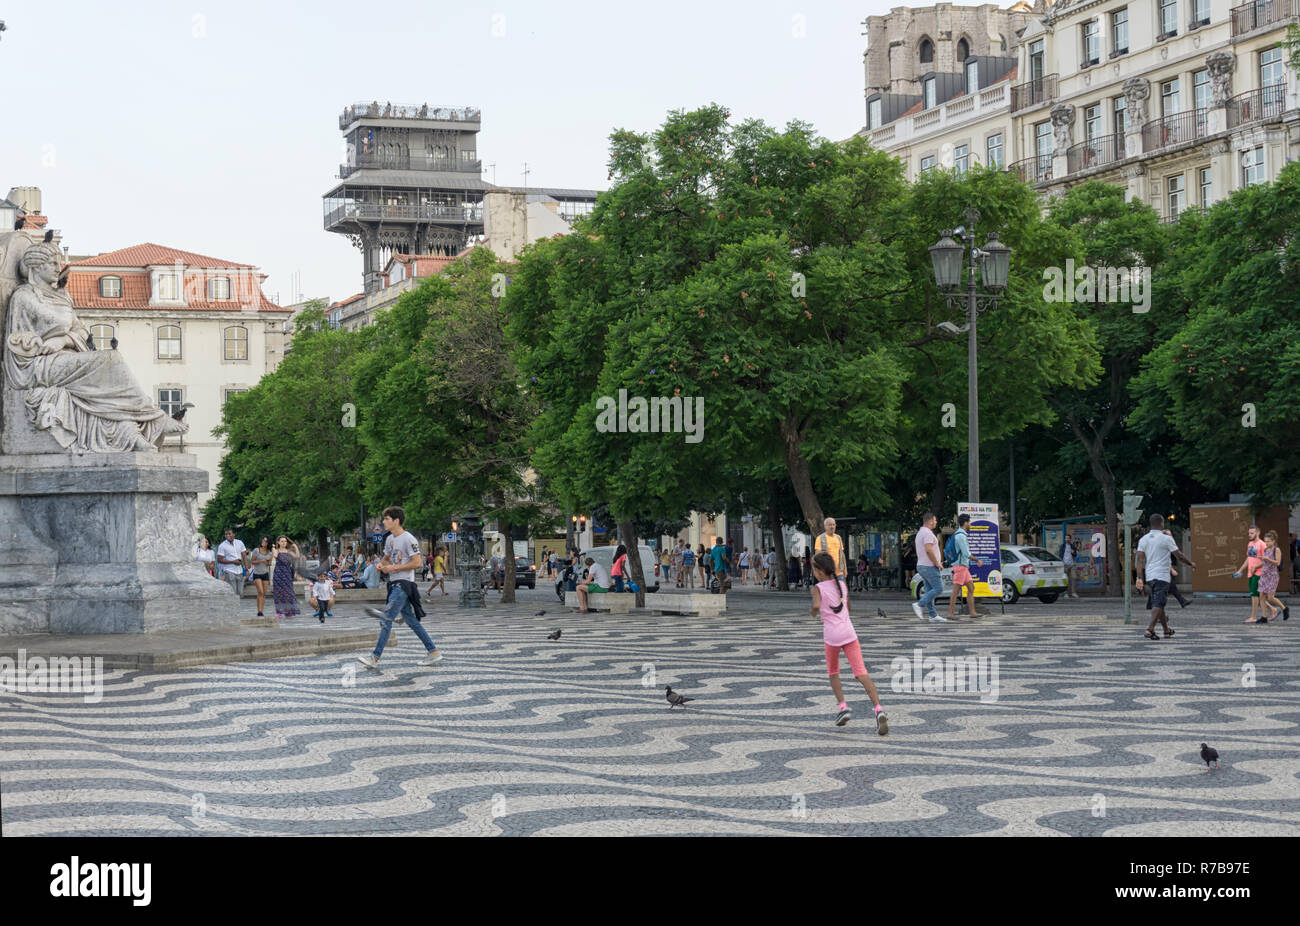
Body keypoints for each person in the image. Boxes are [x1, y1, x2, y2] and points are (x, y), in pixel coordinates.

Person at [809, 552, 888, 734]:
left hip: (832, 636)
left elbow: (815, 606)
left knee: (833, 672)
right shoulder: (842, 585)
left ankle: (843, 707)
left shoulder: (818, 588)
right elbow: (848, 608)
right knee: (861, 673)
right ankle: (879, 710)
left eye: (814, 568)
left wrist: (814, 613)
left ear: (820, 571)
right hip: (849, 632)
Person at [359, 506, 443, 669]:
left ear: (396, 521)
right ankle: (433, 652)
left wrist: (393, 568)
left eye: (386, 519)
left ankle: (375, 658)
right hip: (394, 583)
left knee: (386, 618)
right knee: (411, 620)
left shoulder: (408, 539)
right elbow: (386, 558)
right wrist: (380, 565)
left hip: (403, 584)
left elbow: (417, 563)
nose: (383, 522)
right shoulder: (390, 539)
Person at [1136, 513, 1196, 640]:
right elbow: (1178, 555)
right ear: (1162, 524)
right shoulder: (1166, 539)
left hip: (1150, 575)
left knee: (1159, 603)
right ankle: (1150, 629)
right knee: (1159, 602)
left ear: (1151, 524)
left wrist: (1139, 578)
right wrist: (1190, 564)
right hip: (1162, 575)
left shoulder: (1143, 539)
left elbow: (1140, 561)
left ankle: (1166, 630)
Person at [948, 514, 983, 620]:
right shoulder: (961, 536)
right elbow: (966, 553)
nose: (970, 524)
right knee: (956, 591)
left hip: (963, 566)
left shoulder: (960, 534)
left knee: (971, 588)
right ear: (965, 523)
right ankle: (951, 614)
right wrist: (977, 560)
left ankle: (972, 612)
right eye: (969, 522)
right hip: (960, 566)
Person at [912, 512, 945, 623]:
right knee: (939, 588)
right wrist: (937, 563)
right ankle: (919, 604)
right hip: (929, 565)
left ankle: (933, 615)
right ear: (930, 521)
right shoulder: (928, 534)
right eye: (935, 520)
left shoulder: (920, 532)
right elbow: (928, 550)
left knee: (929, 590)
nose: (936, 522)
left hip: (922, 565)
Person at [1233, 526, 1267, 624]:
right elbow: (1248, 558)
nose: (1249, 535)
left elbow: (1266, 560)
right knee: (1256, 595)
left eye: (1252, 533)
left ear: (1258, 533)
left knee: (1255, 595)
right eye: (1249, 533)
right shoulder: (1250, 544)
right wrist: (1240, 570)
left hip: (1258, 573)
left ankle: (1253, 616)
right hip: (1250, 573)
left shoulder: (1262, 544)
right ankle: (1273, 610)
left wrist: (1255, 567)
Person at [1257, 531, 1289, 622]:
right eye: (1265, 541)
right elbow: (1264, 563)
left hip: (1272, 576)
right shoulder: (1266, 550)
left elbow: (1277, 563)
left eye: (1268, 541)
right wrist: (1257, 565)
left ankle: (1284, 608)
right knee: (1261, 597)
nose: (1266, 543)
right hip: (1264, 575)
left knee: (1270, 597)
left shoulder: (1277, 550)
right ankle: (1264, 617)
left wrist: (1267, 559)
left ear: (1274, 541)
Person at [814, 518, 849, 593]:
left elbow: (842, 554)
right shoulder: (820, 538)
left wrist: (845, 569)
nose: (832, 527)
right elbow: (817, 557)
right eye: (830, 525)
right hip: (827, 573)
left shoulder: (838, 538)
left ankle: (841, 605)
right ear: (825, 526)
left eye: (833, 524)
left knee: (841, 594)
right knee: (830, 594)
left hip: (839, 572)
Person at [271, 535, 301, 621]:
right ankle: (279, 612)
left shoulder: (289, 551)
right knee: (279, 593)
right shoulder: (276, 550)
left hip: (287, 574)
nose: (284, 543)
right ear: (278, 542)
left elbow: (297, 556)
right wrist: (273, 547)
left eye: (285, 541)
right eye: (282, 541)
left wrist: (295, 547)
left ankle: (288, 612)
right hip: (278, 574)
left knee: (288, 593)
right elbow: (275, 556)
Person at [216, 528, 248, 599]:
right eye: (226, 534)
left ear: (234, 534)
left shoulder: (239, 542)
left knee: (240, 593)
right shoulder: (222, 546)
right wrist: (233, 561)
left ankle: (236, 608)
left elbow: (244, 556)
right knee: (233, 593)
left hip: (239, 571)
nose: (228, 535)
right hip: (229, 571)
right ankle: (233, 609)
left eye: (229, 534)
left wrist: (246, 568)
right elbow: (219, 560)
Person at [249, 537, 273, 617]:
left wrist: (268, 563)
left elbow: (270, 563)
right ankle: (259, 611)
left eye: (266, 541)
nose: (263, 542)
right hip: (257, 573)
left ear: (268, 543)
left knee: (264, 594)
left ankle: (261, 611)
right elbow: (252, 561)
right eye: (263, 540)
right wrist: (260, 561)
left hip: (265, 573)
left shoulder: (270, 552)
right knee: (260, 592)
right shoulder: (256, 550)